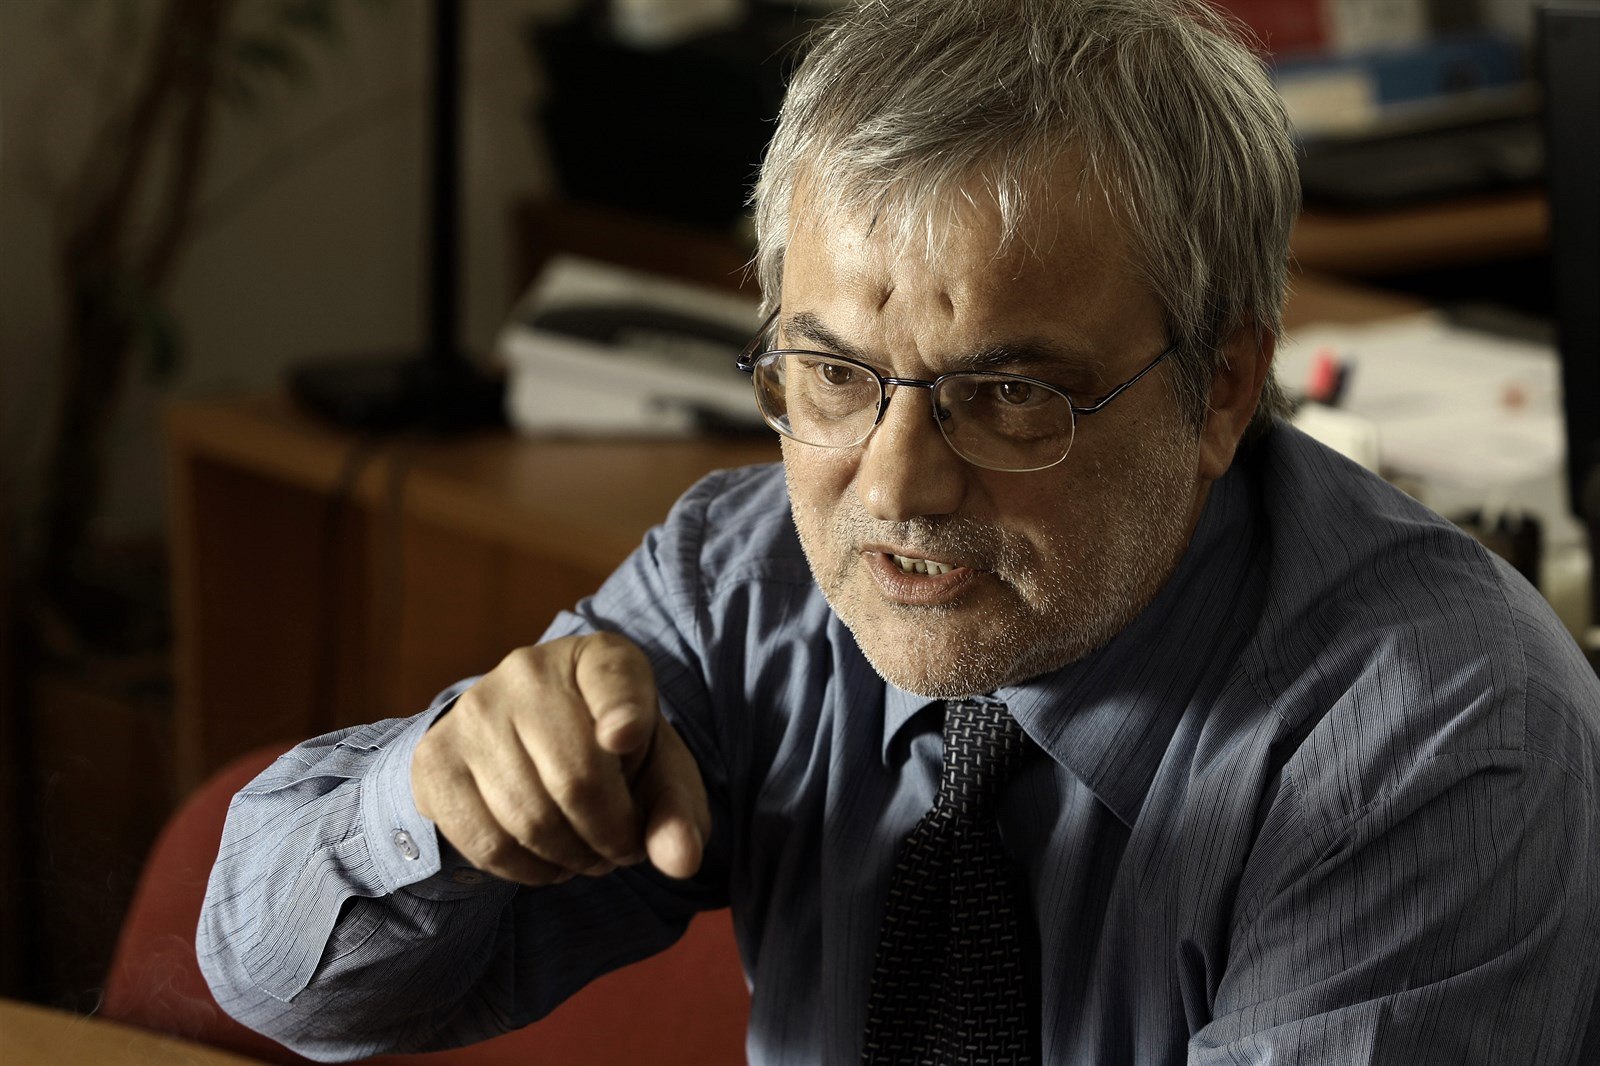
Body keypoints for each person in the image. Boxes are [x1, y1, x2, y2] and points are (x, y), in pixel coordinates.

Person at [198, 0, 1600, 1062]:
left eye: (1010, 393)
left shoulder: (1437, 730)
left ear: (1222, 385)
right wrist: (441, 797)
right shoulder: (744, 579)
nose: (894, 490)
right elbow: (281, 980)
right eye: (831, 374)